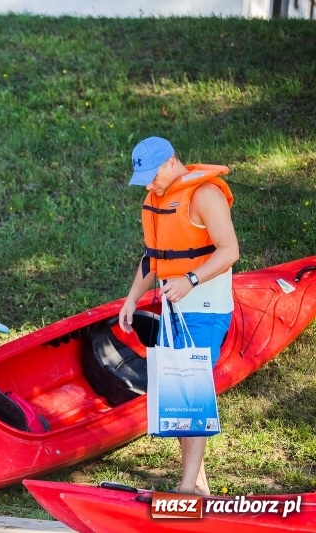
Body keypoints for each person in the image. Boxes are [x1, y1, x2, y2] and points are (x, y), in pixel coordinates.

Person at [117, 136, 239, 496]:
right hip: (173, 310)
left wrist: (191, 279)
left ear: (171, 163)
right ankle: (197, 485)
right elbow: (152, 257)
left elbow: (230, 250)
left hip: (204, 310)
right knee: (177, 397)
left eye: (153, 176)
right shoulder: (157, 198)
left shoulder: (205, 195)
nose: (150, 185)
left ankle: (187, 488)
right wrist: (131, 299)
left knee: (192, 393)